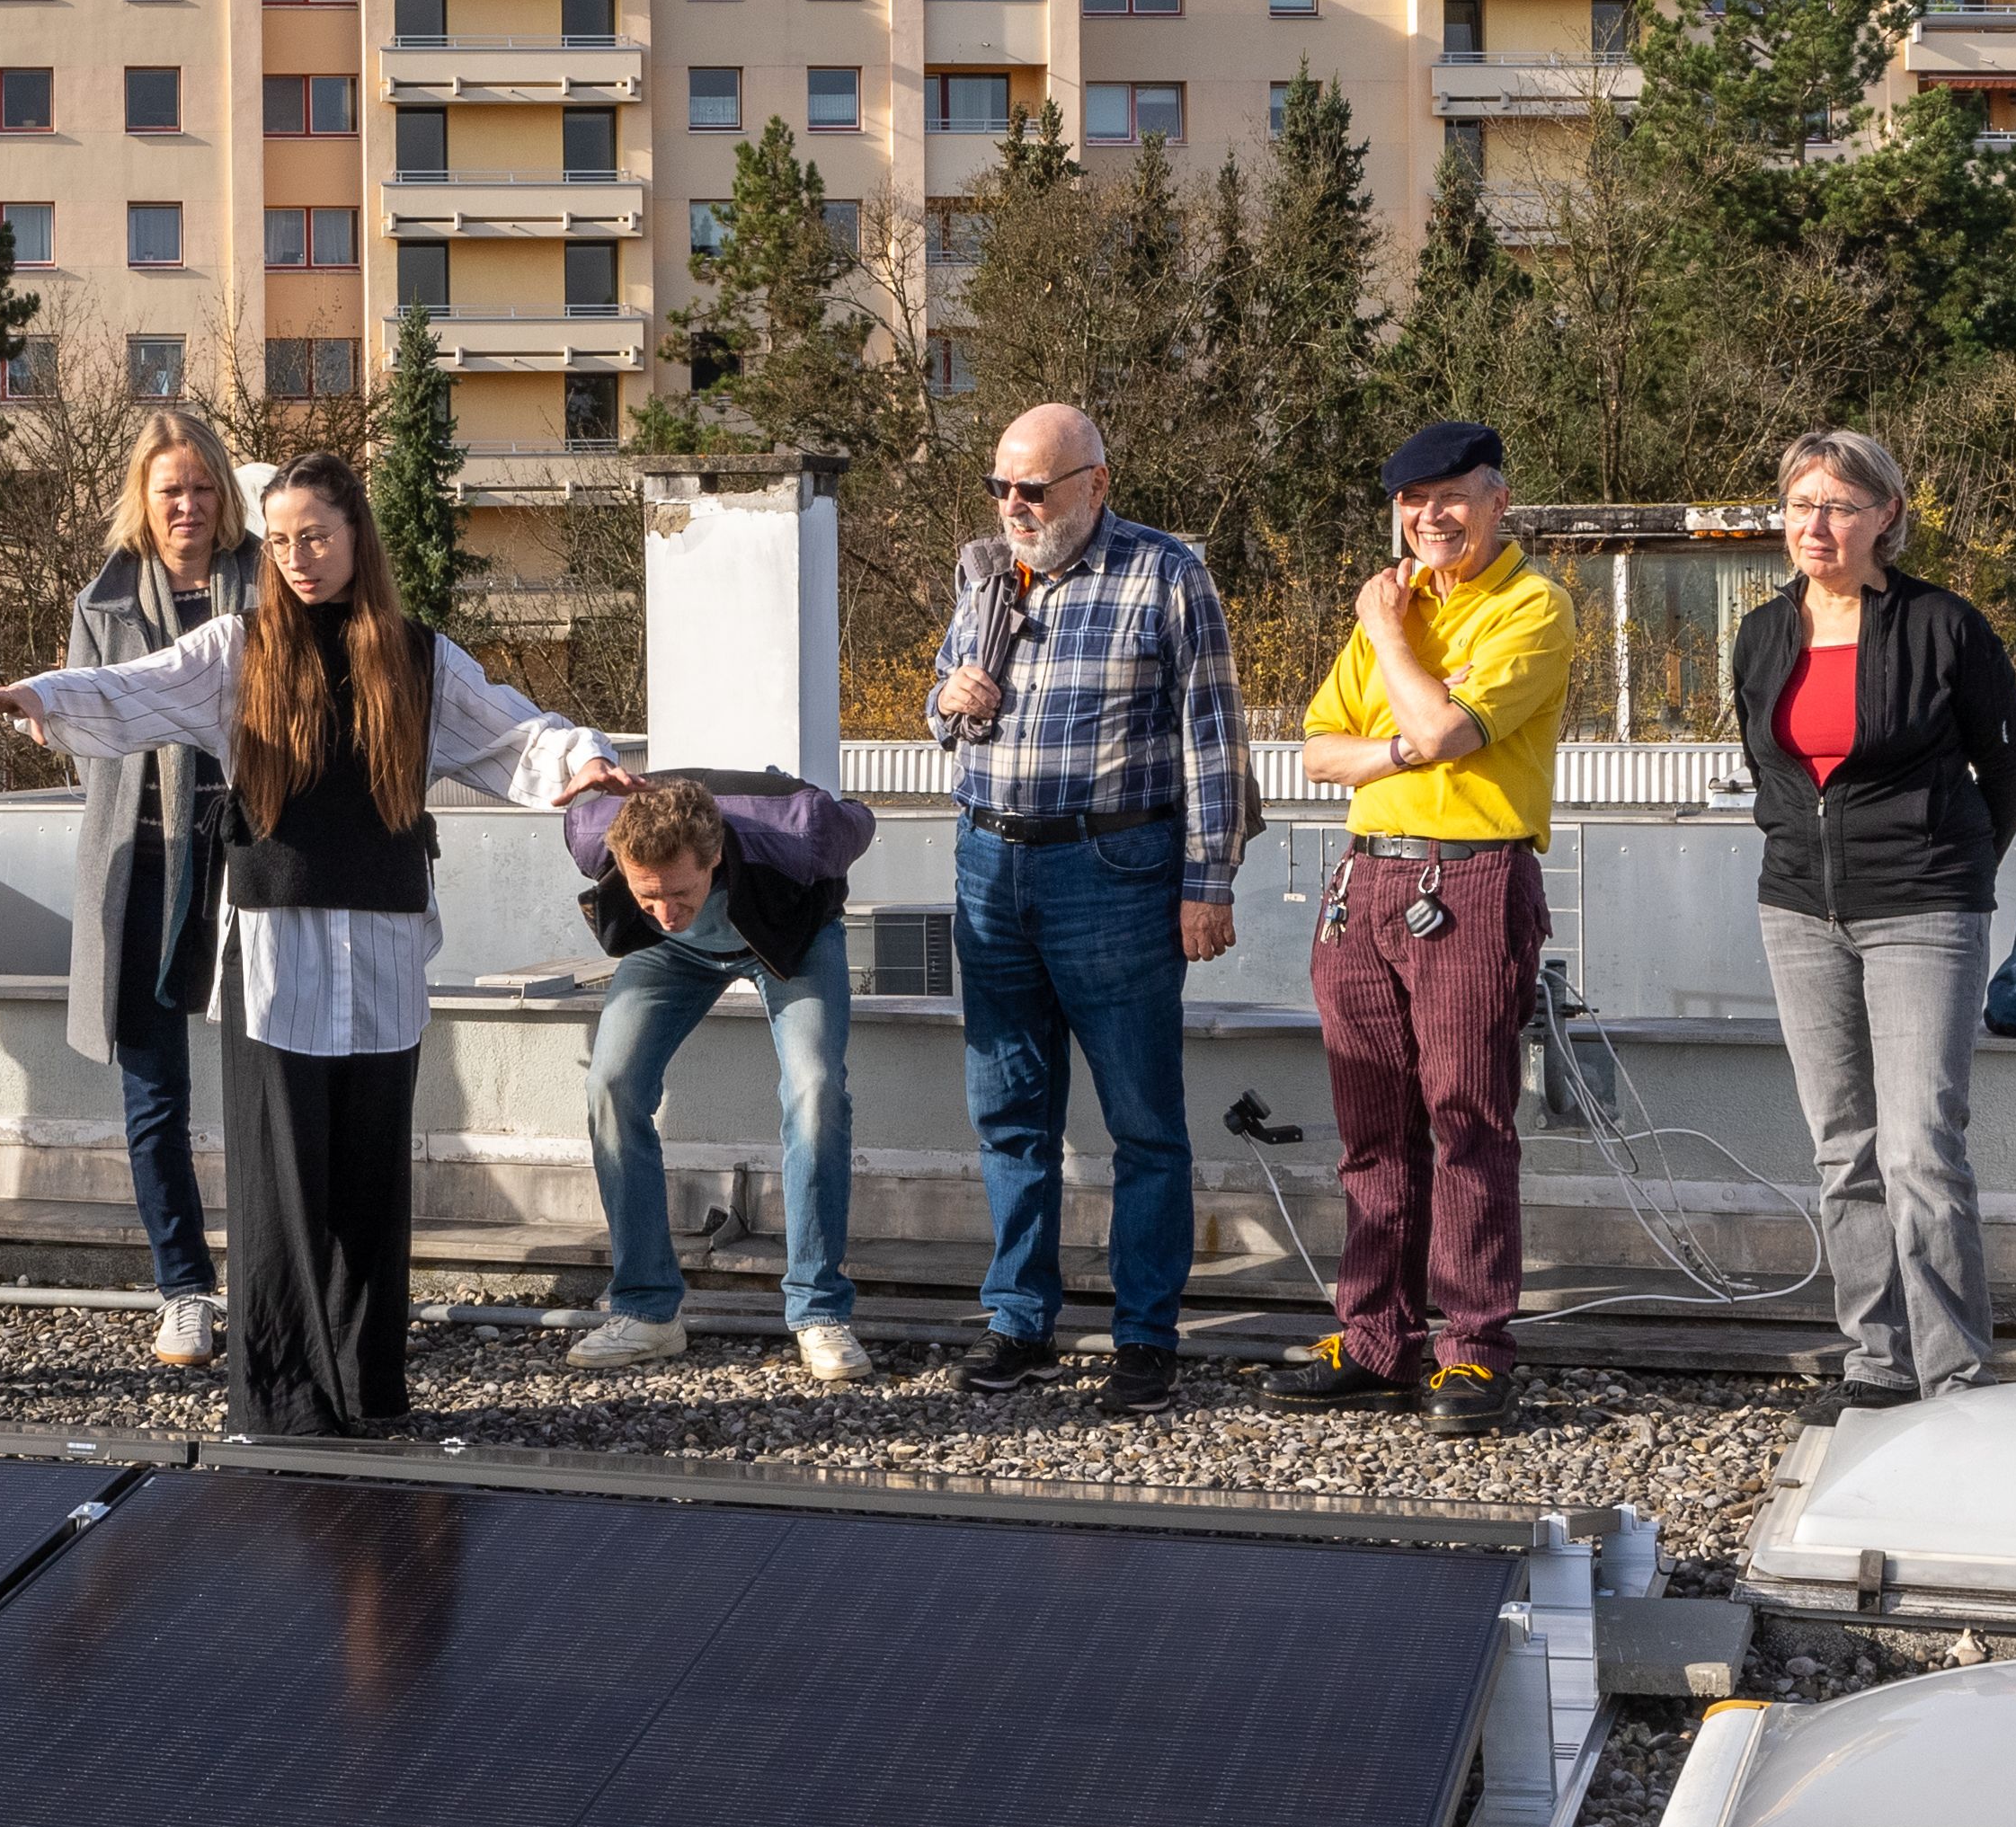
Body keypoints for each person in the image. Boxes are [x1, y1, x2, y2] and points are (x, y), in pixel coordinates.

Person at [0, 451, 630, 1438]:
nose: (299, 558)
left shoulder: (420, 655)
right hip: (276, 955)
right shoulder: (236, 649)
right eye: (280, 541)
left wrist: (587, 761)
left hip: (387, 952)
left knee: (369, 1182)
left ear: (356, 537)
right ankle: (280, 1404)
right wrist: (36, 698)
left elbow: (515, 737)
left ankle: (368, 1394)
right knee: (280, 1185)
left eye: (315, 536)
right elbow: (133, 689)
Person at [924, 404, 1247, 1417]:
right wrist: (948, 703)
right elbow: (938, 705)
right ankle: (1018, 1318)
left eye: (1034, 489)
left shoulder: (1164, 574)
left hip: (1112, 868)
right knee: (1009, 1110)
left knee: (1143, 1120)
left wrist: (1208, 882)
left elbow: (1214, 739)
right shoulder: (984, 573)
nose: (1014, 507)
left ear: (1095, 485)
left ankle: (1144, 1337)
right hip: (989, 861)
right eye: (1000, 488)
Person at [1270, 421, 1576, 1439]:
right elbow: (1316, 751)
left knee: (1467, 1122)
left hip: (1473, 877)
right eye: (1411, 501)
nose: (1428, 517)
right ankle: (1374, 1341)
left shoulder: (1530, 607)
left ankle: (1474, 1352)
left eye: (1450, 496)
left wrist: (1392, 649)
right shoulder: (1394, 608)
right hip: (1365, 881)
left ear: (1498, 502)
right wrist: (1411, 741)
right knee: (1371, 1129)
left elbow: (1450, 731)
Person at [1734, 429, 2016, 1418]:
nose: (1815, 526)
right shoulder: (1761, 632)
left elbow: (2008, 774)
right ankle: (1876, 1359)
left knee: (1920, 1148)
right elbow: (1772, 771)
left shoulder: (1946, 627)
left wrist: (1949, 872)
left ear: (1885, 517)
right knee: (1842, 1146)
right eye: (1800, 505)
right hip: (1798, 912)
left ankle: (1956, 1375)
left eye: (1839, 506)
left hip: (1923, 910)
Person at [557, 771, 880, 1380]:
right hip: (670, 960)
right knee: (610, 1085)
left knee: (816, 1092)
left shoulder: (804, 833)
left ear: (714, 857)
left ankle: (819, 1313)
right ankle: (648, 1312)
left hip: (791, 942)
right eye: (646, 895)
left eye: (679, 892)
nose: (665, 910)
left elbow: (862, 817)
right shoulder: (590, 832)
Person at [58, 407, 262, 1370]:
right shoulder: (100, 602)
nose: (187, 505)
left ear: (225, 494)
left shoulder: (272, 584)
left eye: (202, 487)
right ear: (141, 499)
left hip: (252, 859)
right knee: (155, 1094)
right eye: (169, 489)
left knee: (271, 1081)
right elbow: (80, 734)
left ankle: (274, 1280)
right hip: (139, 867)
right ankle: (183, 1289)